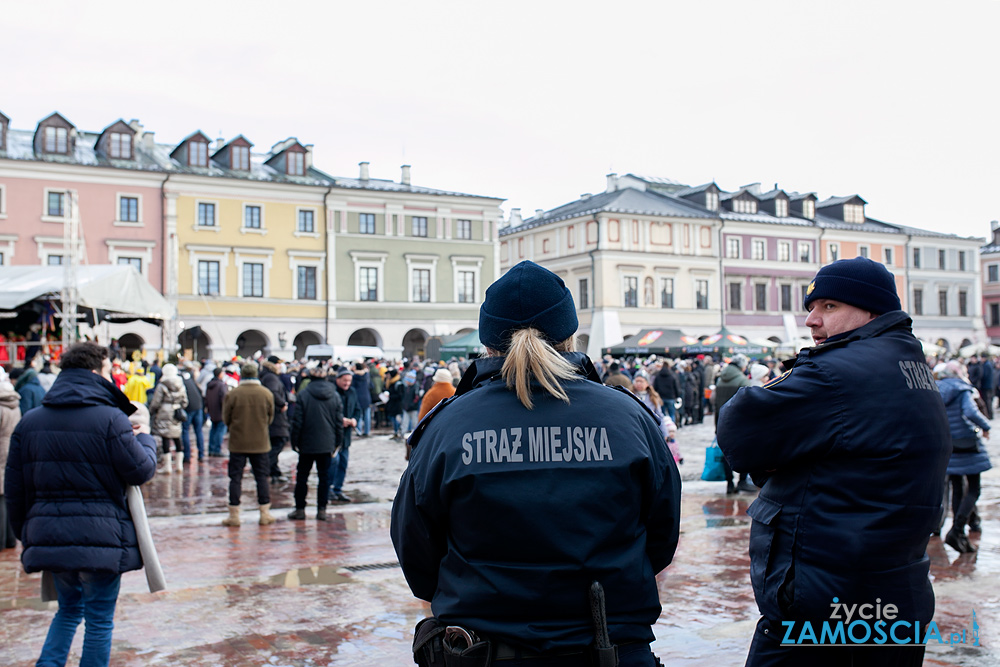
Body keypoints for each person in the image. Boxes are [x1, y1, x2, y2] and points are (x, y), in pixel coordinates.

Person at [391, 260, 681, 666]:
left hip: (487, 651)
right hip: (610, 648)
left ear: (488, 342)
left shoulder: (447, 425)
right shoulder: (629, 417)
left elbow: (416, 551)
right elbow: (662, 536)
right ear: (570, 335)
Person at [717, 257, 950, 666]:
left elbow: (739, 430)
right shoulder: (913, 367)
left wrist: (781, 461)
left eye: (828, 306)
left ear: (870, 311)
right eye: (811, 307)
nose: (811, 320)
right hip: (898, 593)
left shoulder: (837, 371)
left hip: (826, 603)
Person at [4, 342, 157, 666]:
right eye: (106, 370)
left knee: (68, 611)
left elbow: (15, 489)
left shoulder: (30, 422)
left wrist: (27, 535)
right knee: (99, 620)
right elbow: (141, 470)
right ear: (94, 372)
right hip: (100, 539)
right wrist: (144, 438)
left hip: (50, 535)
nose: (110, 376)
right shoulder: (111, 419)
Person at [936, 360, 992, 553]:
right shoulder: (962, 389)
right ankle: (958, 529)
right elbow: (970, 412)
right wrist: (986, 427)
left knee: (958, 486)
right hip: (966, 443)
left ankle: (957, 532)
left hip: (949, 443)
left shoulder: (936, 388)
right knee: (974, 488)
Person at [221, 362, 275, 526]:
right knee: (262, 478)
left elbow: (226, 418)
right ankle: (264, 513)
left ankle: (234, 515)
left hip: (238, 442)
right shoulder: (266, 393)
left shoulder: (234, 394)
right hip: (260, 443)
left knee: (235, 478)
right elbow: (270, 417)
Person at [288, 366, 343, 521]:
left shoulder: (304, 394)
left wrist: (295, 442)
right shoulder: (334, 395)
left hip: (307, 443)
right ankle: (322, 510)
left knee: (302, 477)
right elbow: (338, 422)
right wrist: (337, 442)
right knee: (324, 478)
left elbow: (297, 421)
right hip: (327, 443)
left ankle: (300, 509)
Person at [714, 354, 755, 494]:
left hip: (722, 421)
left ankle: (729, 483)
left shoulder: (721, 379)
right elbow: (749, 404)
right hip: (740, 423)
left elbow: (715, 404)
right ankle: (742, 481)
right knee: (747, 452)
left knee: (726, 453)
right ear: (742, 366)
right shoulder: (743, 380)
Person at [632, 370, 680, 465]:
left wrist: (664, 433)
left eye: (641, 381)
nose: (639, 384)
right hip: (635, 431)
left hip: (650, 431)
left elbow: (660, 416)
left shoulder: (652, 397)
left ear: (647, 383)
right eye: (637, 381)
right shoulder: (630, 395)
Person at [148, 363, 188, 472]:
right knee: (176, 436)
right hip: (176, 412)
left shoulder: (162, 385)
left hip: (164, 412)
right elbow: (185, 401)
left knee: (165, 436)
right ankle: (179, 465)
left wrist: (151, 411)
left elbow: (156, 401)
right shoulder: (180, 383)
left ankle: (168, 466)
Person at [329, 367, 360, 503]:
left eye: (349, 380)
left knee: (343, 463)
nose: (347, 383)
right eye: (344, 380)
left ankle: (338, 489)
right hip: (333, 434)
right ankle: (329, 489)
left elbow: (357, 409)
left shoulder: (352, 392)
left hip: (346, 435)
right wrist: (340, 420)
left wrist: (354, 419)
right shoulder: (332, 392)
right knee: (332, 463)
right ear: (338, 380)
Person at [0, 366, 21, 550]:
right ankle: (10, 538)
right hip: (9, 449)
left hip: (0, 450)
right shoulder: (13, 402)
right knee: (6, 494)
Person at [260, 357, 290, 484]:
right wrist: (282, 404)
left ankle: (274, 471)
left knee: (274, 443)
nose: (280, 366)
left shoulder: (267, 375)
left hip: (272, 415)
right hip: (276, 416)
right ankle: (266, 469)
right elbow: (273, 393)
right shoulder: (271, 377)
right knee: (279, 441)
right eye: (278, 364)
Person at [179, 363, 206, 462]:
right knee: (198, 431)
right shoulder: (190, 378)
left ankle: (187, 455)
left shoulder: (180, 378)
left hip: (189, 407)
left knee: (185, 431)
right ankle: (201, 454)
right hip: (198, 405)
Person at [205, 367, 229, 457]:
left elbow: (206, 397)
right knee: (219, 431)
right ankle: (217, 449)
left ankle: (211, 449)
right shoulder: (221, 385)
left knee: (213, 430)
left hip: (212, 410)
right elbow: (224, 399)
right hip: (220, 411)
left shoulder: (210, 384)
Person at [353, 361, 373, 438]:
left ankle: (359, 430)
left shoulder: (354, 377)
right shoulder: (367, 376)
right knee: (367, 416)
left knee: (359, 415)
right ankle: (367, 431)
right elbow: (372, 386)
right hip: (366, 397)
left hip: (358, 398)